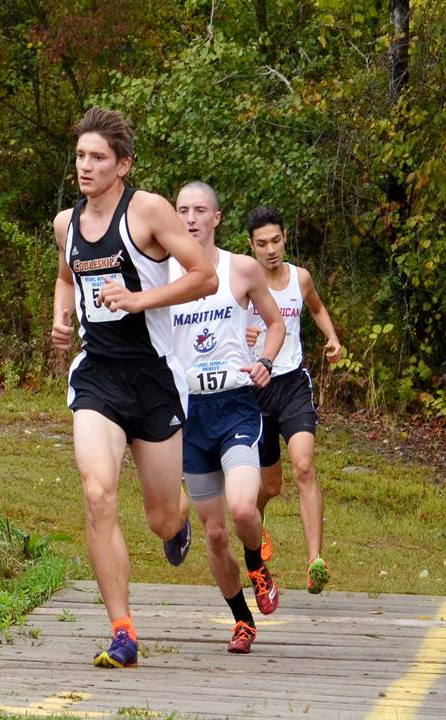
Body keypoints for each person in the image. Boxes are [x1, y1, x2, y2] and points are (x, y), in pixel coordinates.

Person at [50, 107, 218, 669]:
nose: (86, 166)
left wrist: (140, 300)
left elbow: (204, 275)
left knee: (159, 519)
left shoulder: (146, 211)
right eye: (80, 156)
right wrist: (61, 316)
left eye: (98, 157)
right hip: (98, 375)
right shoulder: (65, 223)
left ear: (123, 165)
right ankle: (123, 630)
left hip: (154, 378)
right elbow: (65, 275)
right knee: (97, 492)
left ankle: (180, 519)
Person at [169, 182, 285, 654]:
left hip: (236, 406)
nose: (191, 218)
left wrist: (267, 361)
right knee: (215, 534)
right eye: (182, 211)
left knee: (242, 509)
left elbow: (275, 323)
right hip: (190, 415)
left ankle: (258, 563)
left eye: (200, 210)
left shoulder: (241, 269)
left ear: (216, 218)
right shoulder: (162, 276)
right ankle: (242, 621)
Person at [244, 205, 342, 594]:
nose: (271, 249)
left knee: (304, 467)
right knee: (269, 486)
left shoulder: (299, 278)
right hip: (255, 389)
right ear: (251, 247)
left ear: (285, 238)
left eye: (276, 240)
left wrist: (331, 338)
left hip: (293, 385)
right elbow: (219, 324)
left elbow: (315, 307)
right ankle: (257, 527)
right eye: (262, 243)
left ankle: (314, 561)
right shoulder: (243, 280)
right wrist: (244, 335)